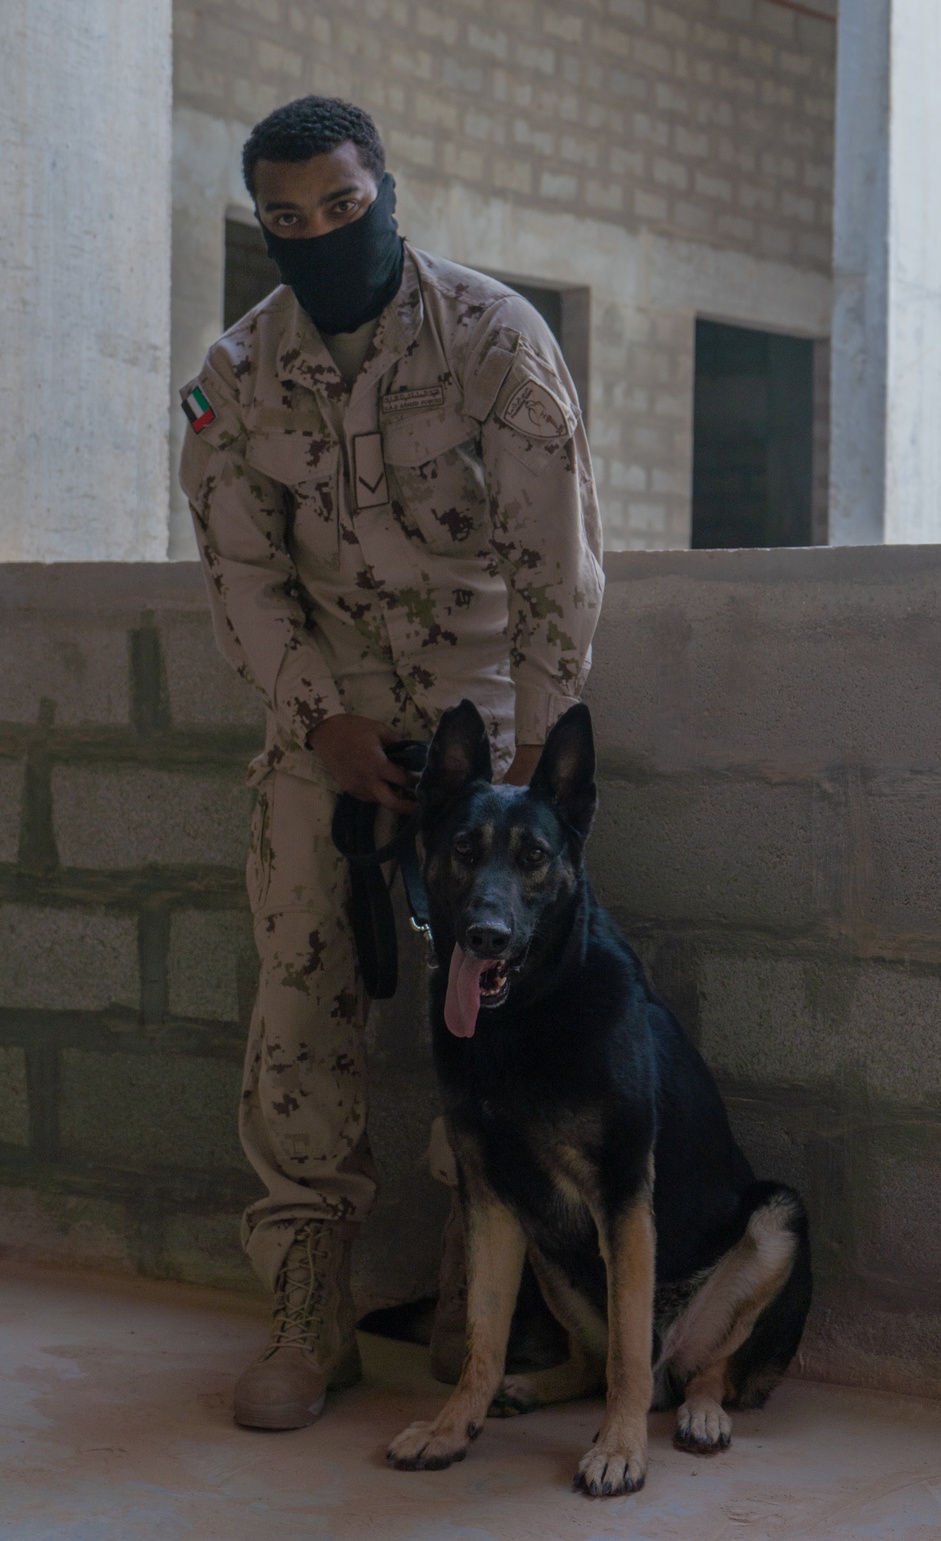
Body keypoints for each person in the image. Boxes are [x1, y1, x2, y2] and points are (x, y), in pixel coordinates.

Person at [179, 95, 604, 1432]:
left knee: (503, 1013)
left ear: (388, 192)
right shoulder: (234, 378)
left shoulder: (495, 342)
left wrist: (536, 761)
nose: (318, 236)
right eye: (286, 222)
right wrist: (320, 721)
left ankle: (486, 1297)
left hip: (488, 734)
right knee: (303, 998)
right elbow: (241, 573)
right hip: (331, 732)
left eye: (342, 209)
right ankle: (310, 1312)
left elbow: (555, 565)